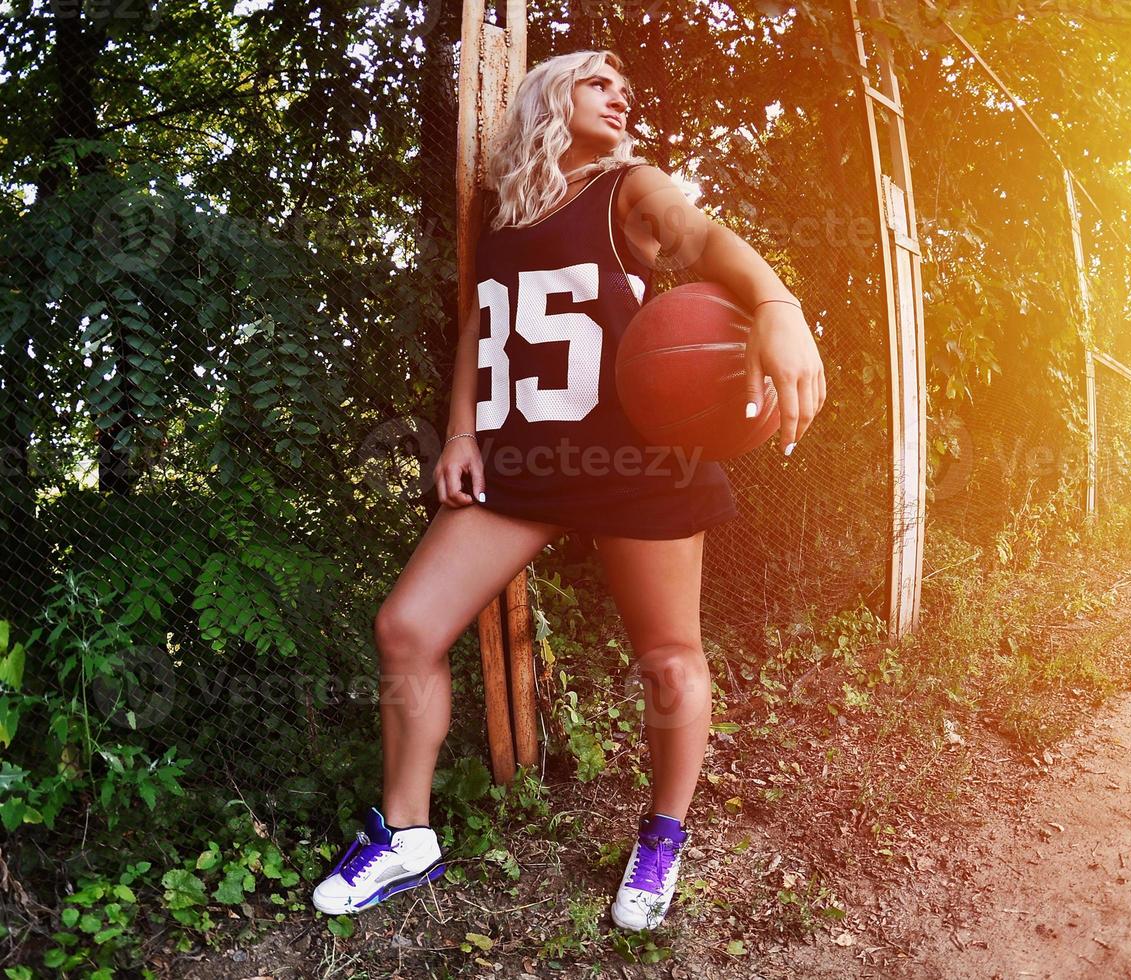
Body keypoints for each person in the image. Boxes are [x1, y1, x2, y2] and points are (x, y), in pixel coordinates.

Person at [311, 49, 826, 931]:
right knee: (405, 627)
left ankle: (663, 834)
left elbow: (697, 238)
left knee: (668, 657)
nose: (621, 96)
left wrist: (777, 307)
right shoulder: (505, 211)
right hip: (522, 465)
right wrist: (464, 431)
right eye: (598, 82)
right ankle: (404, 836)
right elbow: (480, 324)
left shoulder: (631, 187)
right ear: (552, 96)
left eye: (627, 87)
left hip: (635, 461)